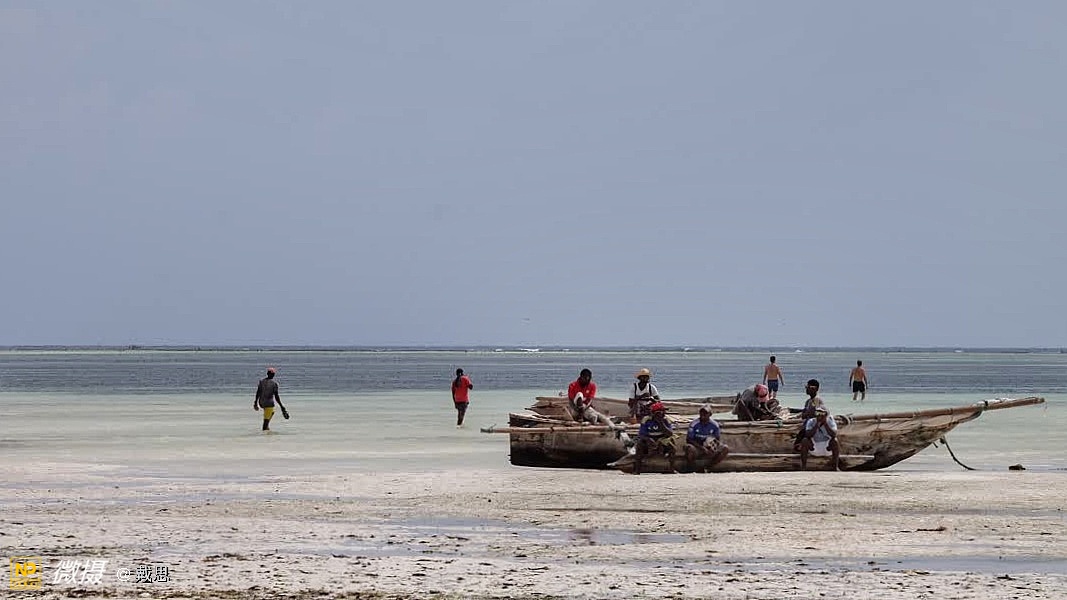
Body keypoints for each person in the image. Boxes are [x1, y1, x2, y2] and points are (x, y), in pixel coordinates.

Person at [633, 402, 678, 474]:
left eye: (663, 412)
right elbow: (641, 434)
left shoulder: (666, 420)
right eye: (659, 412)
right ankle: (637, 469)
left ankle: (671, 468)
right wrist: (648, 440)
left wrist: (660, 423)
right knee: (639, 445)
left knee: (672, 445)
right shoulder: (646, 420)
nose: (662, 414)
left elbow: (670, 433)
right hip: (649, 439)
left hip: (662, 439)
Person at [685, 405, 729, 473]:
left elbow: (717, 439)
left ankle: (708, 468)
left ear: (710, 414)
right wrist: (702, 448)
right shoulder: (694, 424)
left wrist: (713, 447)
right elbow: (689, 439)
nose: (703, 415)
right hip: (697, 446)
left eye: (705, 413)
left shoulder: (714, 425)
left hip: (708, 446)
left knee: (725, 448)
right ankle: (692, 468)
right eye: (701, 413)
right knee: (689, 448)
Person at [796, 406, 840, 470]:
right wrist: (817, 424)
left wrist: (825, 424)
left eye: (822, 413)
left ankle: (835, 467)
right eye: (817, 413)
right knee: (805, 440)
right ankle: (803, 467)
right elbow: (808, 435)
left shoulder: (830, 421)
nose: (819, 415)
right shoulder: (811, 421)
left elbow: (834, 434)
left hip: (827, 447)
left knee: (835, 441)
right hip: (814, 447)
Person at [253, 367, 288, 431]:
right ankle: (265, 431)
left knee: (272, 412)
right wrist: (281, 406)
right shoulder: (274, 384)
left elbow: (258, 392)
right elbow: (276, 396)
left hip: (261, 403)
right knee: (265, 423)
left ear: (267, 373)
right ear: (273, 374)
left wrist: (255, 402)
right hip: (269, 404)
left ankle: (267, 428)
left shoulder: (261, 381)